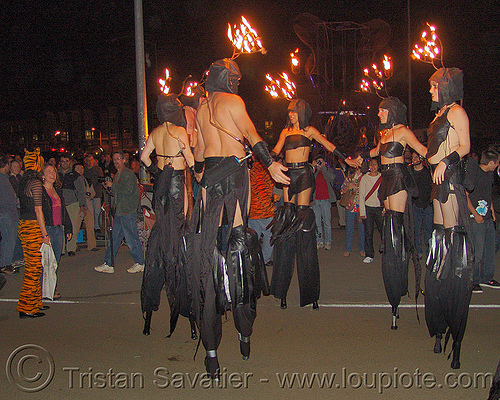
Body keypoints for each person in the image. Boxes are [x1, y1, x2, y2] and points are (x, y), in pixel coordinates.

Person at [188, 58, 289, 380]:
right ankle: (244, 334)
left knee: (210, 258)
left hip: (209, 183)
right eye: (236, 79)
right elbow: (251, 134)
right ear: (229, 79)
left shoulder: (202, 109)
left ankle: (212, 354)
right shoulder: (233, 102)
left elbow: (201, 157)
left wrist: (198, 185)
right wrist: (271, 163)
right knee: (238, 252)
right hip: (233, 179)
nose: (238, 84)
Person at [269, 98, 354, 311]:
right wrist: (264, 158)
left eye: (294, 112)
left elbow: (329, 146)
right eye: (289, 112)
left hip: (304, 175)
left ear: (302, 113)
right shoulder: (284, 132)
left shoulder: (309, 131)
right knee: (287, 225)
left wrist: (346, 159)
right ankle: (282, 290)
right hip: (289, 174)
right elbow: (275, 152)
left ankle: (310, 292)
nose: (290, 115)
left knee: (303, 222)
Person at [354, 96, 427, 329]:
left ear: (392, 111)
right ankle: (395, 280)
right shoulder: (383, 134)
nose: (379, 114)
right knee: (390, 227)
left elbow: (423, 150)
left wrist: (446, 159)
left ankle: (399, 281)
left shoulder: (404, 131)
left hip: (397, 176)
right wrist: (359, 157)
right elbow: (375, 152)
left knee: (396, 225)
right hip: (386, 178)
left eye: (382, 111)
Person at [423, 67, 472, 369]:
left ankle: (457, 339)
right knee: (438, 259)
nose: (430, 91)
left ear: (446, 86)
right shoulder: (439, 114)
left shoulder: (457, 112)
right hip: (437, 185)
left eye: (433, 86)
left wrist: (446, 159)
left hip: (451, 182)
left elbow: (464, 146)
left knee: (454, 261)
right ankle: (439, 329)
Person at [139, 93, 196, 338]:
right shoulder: (179, 132)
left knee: (162, 233)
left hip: (162, 183)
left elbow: (143, 158)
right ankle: (191, 316)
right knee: (179, 235)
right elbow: (191, 161)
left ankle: (148, 319)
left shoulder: (156, 132)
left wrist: (156, 172)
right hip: (175, 184)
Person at [94, 151, 144, 273]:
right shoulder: (119, 174)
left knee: (131, 238)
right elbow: (120, 192)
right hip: (121, 211)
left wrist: (113, 186)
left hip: (126, 211)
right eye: (114, 159)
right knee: (115, 238)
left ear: (123, 160)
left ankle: (140, 262)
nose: (116, 161)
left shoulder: (127, 174)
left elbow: (128, 190)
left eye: (118, 159)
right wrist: (110, 188)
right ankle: (109, 263)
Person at [16, 149, 51, 318]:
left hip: (25, 225)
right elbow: (38, 210)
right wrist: (44, 234)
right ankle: (26, 306)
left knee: (35, 266)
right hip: (31, 227)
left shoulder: (24, 181)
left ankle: (35, 303)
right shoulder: (35, 183)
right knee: (33, 267)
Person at [466, 149, 500, 293]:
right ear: (491, 162)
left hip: (486, 217)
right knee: (477, 251)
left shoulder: (490, 174)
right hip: (476, 218)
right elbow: (465, 195)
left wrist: (491, 210)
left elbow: (487, 193)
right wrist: (475, 213)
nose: (498, 165)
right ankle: (473, 280)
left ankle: (486, 277)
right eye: (497, 162)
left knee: (489, 249)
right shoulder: (475, 173)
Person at [41, 164, 72, 298]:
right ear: (42, 176)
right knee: (45, 261)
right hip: (47, 229)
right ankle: (43, 289)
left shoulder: (57, 191)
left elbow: (63, 210)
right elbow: (39, 212)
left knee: (55, 261)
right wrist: (43, 234)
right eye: (49, 171)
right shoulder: (40, 192)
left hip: (58, 229)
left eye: (54, 171)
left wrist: (68, 227)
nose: (52, 174)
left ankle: (51, 288)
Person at [248, 154, 276, 265]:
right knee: (269, 234)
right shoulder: (262, 170)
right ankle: (265, 259)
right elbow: (261, 192)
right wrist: (271, 208)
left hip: (253, 210)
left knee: (254, 237)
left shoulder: (252, 170)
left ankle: (251, 260)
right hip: (263, 212)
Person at [359, 157, 383, 263]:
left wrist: (385, 208)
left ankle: (386, 251)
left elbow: (385, 194)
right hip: (368, 208)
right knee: (368, 232)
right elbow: (361, 196)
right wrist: (362, 211)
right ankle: (369, 254)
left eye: (375, 164)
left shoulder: (383, 177)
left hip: (380, 208)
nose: (373, 167)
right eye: (371, 164)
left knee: (384, 231)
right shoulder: (364, 178)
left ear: (378, 166)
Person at [410, 151, 433, 258]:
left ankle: (429, 251)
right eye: (413, 157)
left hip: (427, 204)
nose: (414, 159)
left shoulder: (427, 172)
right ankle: (418, 251)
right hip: (415, 205)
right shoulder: (410, 172)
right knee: (416, 229)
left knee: (429, 230)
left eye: (416, 157)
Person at [311, 153, 336, 251]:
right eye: (318, 162)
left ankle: (328, 241)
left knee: (327, 222)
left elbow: (331, 178)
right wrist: (314, 167)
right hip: (316, 200)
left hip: (326, 199)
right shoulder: (314, 172)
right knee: (317, 222)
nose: (319, 163)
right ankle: (319, 240)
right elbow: (309, 179)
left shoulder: (327, 170)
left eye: (321, 162)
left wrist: (323, 168)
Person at [0, 156, 20, 275]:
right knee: (8, 239)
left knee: (10, 238)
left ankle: (6, 262)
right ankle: (4, 264)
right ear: (7, 165)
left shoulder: (5, 178)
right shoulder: (2, 179)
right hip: (6, 213)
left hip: (9, 212)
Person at [341, 165, 365, 257]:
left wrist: (357, 188)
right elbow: (342, 190)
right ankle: (347, 249)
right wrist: (348, 187)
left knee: (362, 229)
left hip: (361, 207)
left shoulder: (365, 177)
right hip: (350, 206)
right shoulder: (349, 177)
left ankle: (362, 249)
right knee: (349, 228)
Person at [58, 155, 80, 257]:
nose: (65, 163)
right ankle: (61, 249)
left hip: (72, 203)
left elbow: (80, 191)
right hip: (60, 204)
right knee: (61, 227)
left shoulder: (75, 175)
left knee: (73, 227)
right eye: (63, 161)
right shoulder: (56, 174)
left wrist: (82, 205)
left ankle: (71, 248)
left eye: (66, 161)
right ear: (60, 163)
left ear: (70, 162)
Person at [74, 163, 98, 252]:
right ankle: (73, 245)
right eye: (78, 168)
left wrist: (89, 195)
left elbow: (93, 193)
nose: (80, 169)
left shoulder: (87, 180)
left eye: (81, 168)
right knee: (76, 226)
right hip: (78, 205)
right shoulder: (74, 179)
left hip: (88, 204)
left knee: (90, 225)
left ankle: (92, 245)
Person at [84, 154, 104, 234]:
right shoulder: (84, 170)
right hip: (88, 194)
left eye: (91, 160)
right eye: (88, 161)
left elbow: (101, 179)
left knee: (97, 211)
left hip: (97, 193)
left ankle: (98, 227)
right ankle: (90, 227)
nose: (89, 162)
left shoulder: (97, 169)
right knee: (89, 211)